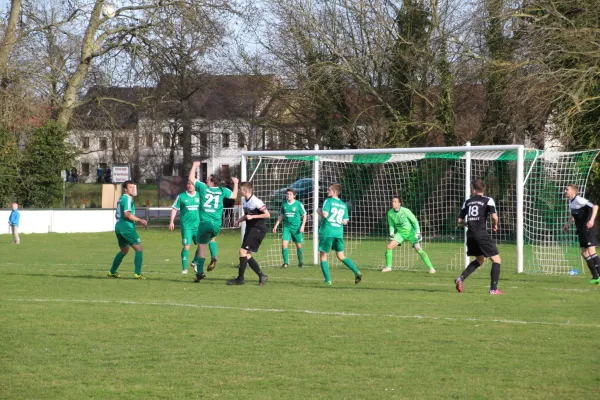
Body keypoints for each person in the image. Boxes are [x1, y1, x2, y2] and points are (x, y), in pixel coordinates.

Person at [188, 162, 239, 283]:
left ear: (212, 182)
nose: (206, 181)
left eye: (207, 180)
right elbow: (234, 195)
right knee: (212, 239)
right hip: (217, 223)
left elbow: (191, 178)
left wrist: (194, 166)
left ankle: (199, 272)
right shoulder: (222, 190)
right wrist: (236, 183)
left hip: (205, 223)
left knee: (201, 247)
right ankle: (214, 256)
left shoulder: (204, 188)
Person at [455, 179, 503, 295]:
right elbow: (495, 217)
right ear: (483, 189)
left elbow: (459, 220)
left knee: (480, 260)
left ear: (474, 190)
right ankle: (493, 289)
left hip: (470, 235)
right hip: (481, 235)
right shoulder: (488, 200)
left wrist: (466, 224)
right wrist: (494, 225)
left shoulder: (467, 202)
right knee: (496, 260)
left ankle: (461, 278)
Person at [317, 184, 362, 286]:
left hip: (328, 232)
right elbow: (345, 221)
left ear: (333, 192)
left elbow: (325, 214)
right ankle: (356, 272)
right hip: (339, 233)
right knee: (341, 256)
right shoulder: (343, 205)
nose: (327, 191)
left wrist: (318, 210)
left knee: (323, 256)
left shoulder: (328, 201)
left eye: (329, 190)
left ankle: (327, 280)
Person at [227, 181, 269, 286]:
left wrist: (253, 217)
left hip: (258, 229)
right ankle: (262, 276)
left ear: (245, 191)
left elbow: (267, 215)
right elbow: (247, 215)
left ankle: (240, 279)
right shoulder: (244, 200)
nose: (240, 192)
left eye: (241, 190)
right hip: (251, 229)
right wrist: (238, 221)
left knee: (242, 251)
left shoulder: (256, 201)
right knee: (247, 254)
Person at [382, 196, 435, 273]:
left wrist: (418, 232)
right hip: (400, 234)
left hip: (411, 233)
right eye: (392, 201)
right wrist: (392, 232)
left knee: (418, 249)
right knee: (389, 247)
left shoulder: (406, 211)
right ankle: (388, 267)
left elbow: (415, 221)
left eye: (395, 201)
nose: (393, 203)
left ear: (399, 203)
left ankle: (431, 268)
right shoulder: (390, 213)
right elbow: (391, 225)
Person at [107, 180, 147, 279]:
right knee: (139, 249)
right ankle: (137, 274)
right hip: (126, 227)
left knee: (124, 250)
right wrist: (140, 220)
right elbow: (127, 214)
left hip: (118, 227)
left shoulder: (121, 198)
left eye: (134, 187)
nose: (133, 189)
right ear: (125, 189)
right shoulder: (127, 199)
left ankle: (112, 272)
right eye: (130, 187)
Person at [563, 184, 600, 284]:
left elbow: (595, 207)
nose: (565, 191)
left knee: (591, 251)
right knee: (584, 253)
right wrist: (567, 224)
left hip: (588, 228)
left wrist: (591, 220)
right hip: (581, 229)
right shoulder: (571, 203)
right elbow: (574, 215)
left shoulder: (579, 199)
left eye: (567, 189)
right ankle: (595, 277)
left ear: (573, 191)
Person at [169, 180, 200, 275]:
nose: (190, 186)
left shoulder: (200, 195)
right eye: (188, 184)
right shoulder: (182, 196)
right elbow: (174, 208)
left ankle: (194, 262)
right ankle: (184, 268)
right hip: (186, 226)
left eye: (192, 184)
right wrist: (171, 222)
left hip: (198, 226)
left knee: (201, 246)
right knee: (187, 246)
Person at [272, 188, 307, 268]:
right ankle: (286, 263)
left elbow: (304, 215)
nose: (288, 195)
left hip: (296, 228)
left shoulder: (298, 204)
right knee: (284, 245)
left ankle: (300, 261)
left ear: (294, 196)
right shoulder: (284, 204)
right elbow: (281, 215)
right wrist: (276, 225)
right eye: (287, 194)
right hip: (287, 228)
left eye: (290, 194)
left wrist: (302, 226)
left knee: (298, 246)